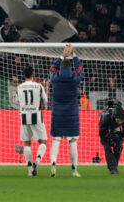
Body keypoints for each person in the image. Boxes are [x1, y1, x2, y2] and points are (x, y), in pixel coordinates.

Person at [49, 43, 83, 177]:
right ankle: (74, 170)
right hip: (71, 114)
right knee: (73, 141)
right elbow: (80, 68)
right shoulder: (75, 79)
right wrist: (73, 54)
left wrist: (62, 55)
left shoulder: (55, 79)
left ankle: (53, 165)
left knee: (56, 140)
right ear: (70, 68)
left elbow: (52, 68)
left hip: (57, 114)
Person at [17, 64, 48, 176]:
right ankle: (38, 161)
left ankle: (30, 169)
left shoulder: (19, 87)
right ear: (33, 75)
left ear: (23, 75)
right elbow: (45, 100)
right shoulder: (39, 86)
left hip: (24, 116)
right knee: (43, 141)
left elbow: (18, 102)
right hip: (36, 116)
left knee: (27, 143)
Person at [98, 100, 124, 175]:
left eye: (121, 121)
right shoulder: (106, 117)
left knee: (119, 147)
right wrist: (108, 136)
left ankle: (113, 167)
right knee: (107, 147)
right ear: (114, 117)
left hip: (117, 132)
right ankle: (113, 168)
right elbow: (101, 133)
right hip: (105, 133)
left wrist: (117, 135)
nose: (120, 122)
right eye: (118, 121)